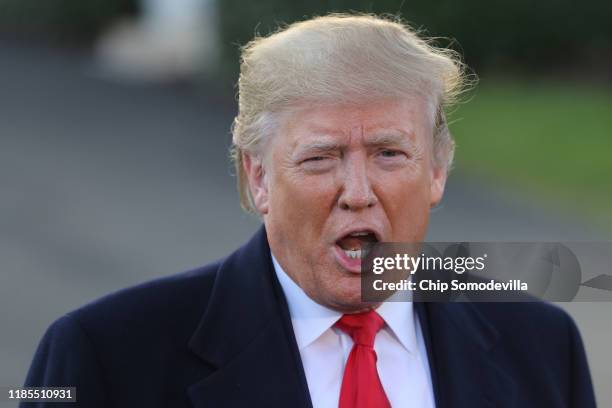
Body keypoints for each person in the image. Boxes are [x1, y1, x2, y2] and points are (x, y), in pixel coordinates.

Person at [23, 14, 595, 407]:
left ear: (438, 171)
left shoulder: (542, 346)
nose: (357, 191)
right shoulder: (103, 356)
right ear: (259, 176)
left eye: (389, 154)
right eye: (321, 158)